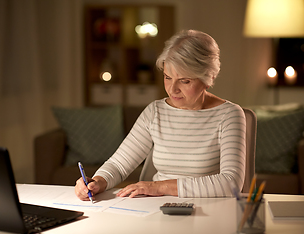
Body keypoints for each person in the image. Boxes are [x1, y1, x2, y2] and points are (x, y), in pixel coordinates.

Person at [75, 29, 246, 200]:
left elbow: (231, 183)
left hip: (209, 208)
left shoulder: (229, 115)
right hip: (157, 207)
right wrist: (97, 182)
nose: (173, 89)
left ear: (209, 77)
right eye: (167, 77)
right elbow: (119, 165)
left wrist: (159, 187)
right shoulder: (155, 112)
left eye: (185, 81)